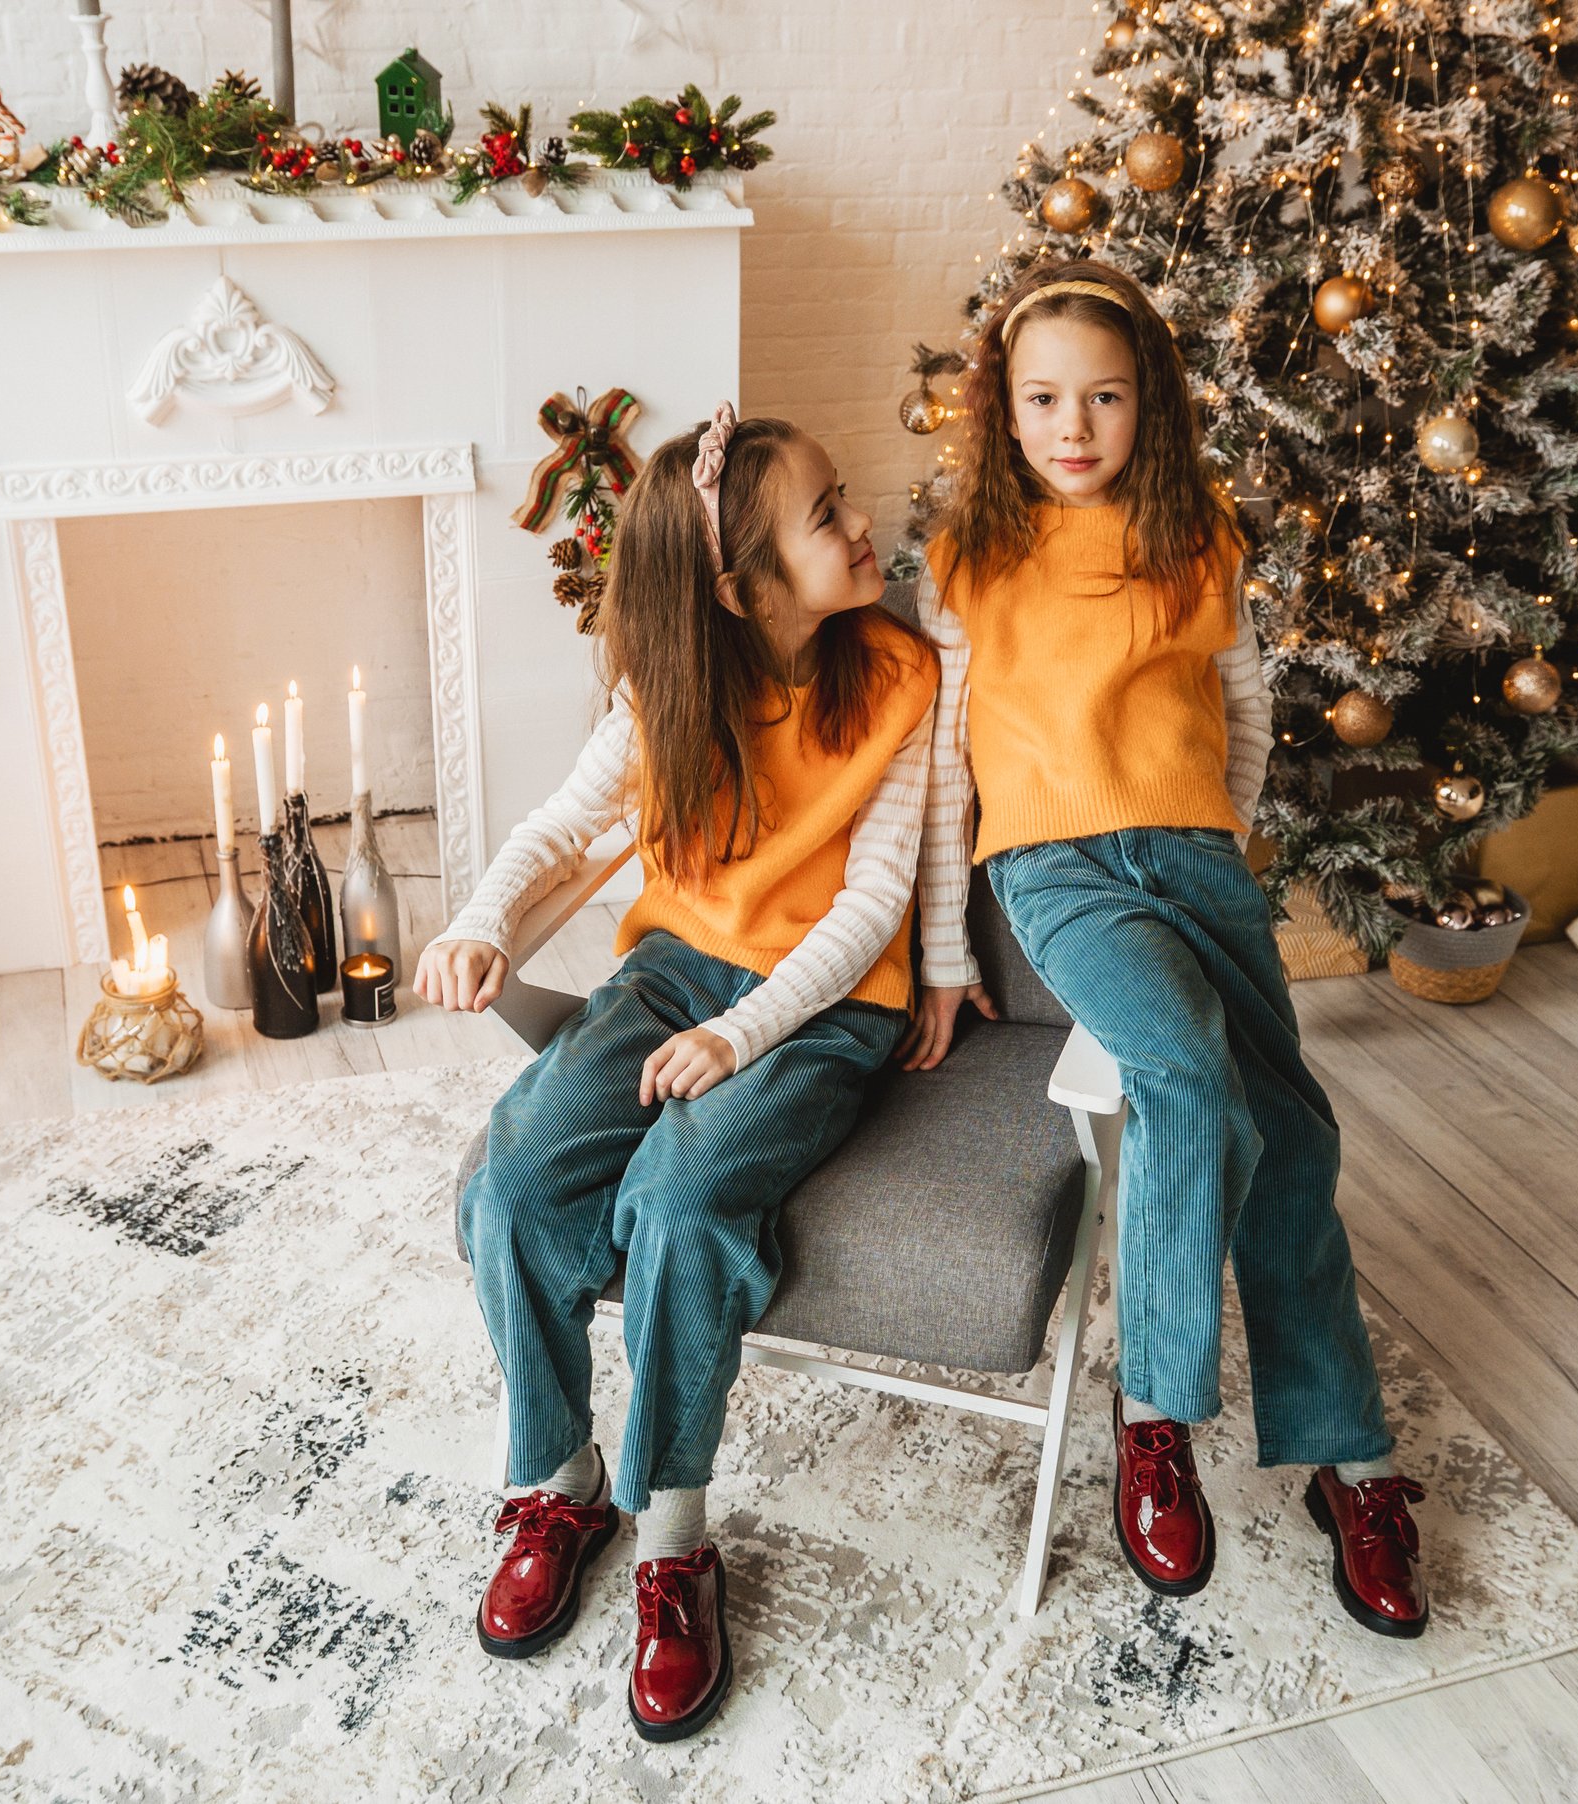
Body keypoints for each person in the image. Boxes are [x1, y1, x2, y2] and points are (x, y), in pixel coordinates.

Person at [901, 260, 1430, 1636]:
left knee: (1293, 1137)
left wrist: (1222, 836)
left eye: (1105, 397)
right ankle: (1155, 1420)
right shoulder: (968, 559)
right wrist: (944, 962)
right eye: (1043, 400)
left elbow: (1244, 706)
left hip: (1194, 856)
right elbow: (944, 767)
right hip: (1056, 868)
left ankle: (1347, 1461)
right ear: (1003, 413)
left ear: (1151, 406)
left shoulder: (1203, 541)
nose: (1073, 426)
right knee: (1188, 1079)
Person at [419, 406, 937, 1739]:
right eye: (826, 515)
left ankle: (670, 1539)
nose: (863, 522)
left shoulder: (898, 683)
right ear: (735, 584)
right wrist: (482, 923)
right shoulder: (666, 698)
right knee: (514, 1189)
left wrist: (742, 1037)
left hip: (821, 1011)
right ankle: (559, 1477)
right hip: (672, 980)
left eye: (842, 498)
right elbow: (555, 829)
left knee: (683, 1206)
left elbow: (871, 907)